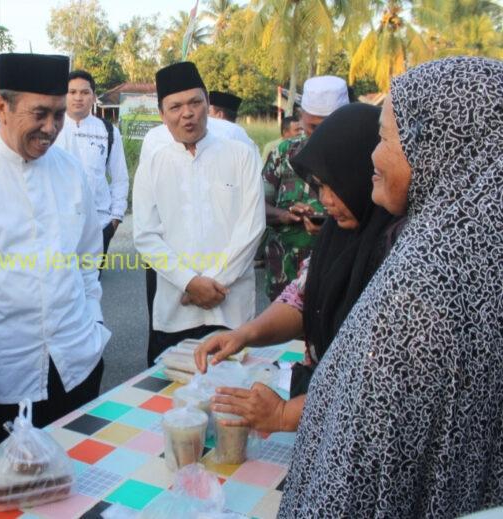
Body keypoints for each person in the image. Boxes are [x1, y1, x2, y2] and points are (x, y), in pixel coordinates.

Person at [278, 56, 503, 518]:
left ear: (436, 146)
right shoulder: (476, 255)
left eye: (383, 139)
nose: (373, 158)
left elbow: (362, 463)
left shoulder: (423, 285)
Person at [0, 53, 110, 464]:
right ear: (1, 106)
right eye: (40, 114)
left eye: (59, 115)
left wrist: (94, 323)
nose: (51, 128)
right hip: (2, 382)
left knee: (82, 480)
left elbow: (87, 258)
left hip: (76, 363)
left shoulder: (70, 171)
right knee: (8, 491)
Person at [194, 103, 405, 433]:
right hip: (322, 404)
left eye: (335, 186)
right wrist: (244, 335)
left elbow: (374, 377)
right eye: (319, 187)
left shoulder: (397, 248)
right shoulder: (337, 233)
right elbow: (301, 299)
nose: (326, 200)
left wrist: (283, 415)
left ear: (365, 175)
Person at [133, 61, 264, 366]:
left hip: (231, 307)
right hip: (177, 308)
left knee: (232, 387)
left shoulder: (241, 155)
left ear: (207, 103)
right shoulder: (153, 164)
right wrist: (190, 283)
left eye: (195, 102)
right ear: (162, 115)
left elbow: (252, 227)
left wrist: (214, 284)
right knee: (173, 389)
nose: (187, 113)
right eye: (175, 107)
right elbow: (145, 236)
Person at [262, 75, 349, 301]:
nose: (321, 134)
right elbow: (257, 206)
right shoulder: (284, 153)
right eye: (313, 127)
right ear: (301, 117)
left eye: (330, 126)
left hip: (338, 278)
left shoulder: (362, 157)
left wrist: (331, 226)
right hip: (284, 277)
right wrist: (284, 215)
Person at [54, 70, 128, 254]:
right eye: (72, 92)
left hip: (99, 225)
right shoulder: (51, 128)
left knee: (93, 273)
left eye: (85, 92)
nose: (78, 97)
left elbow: (120, 177)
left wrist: (115, 219)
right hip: (57, 226)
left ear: (94, 97)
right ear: (64, 95)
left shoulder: (108, 131)